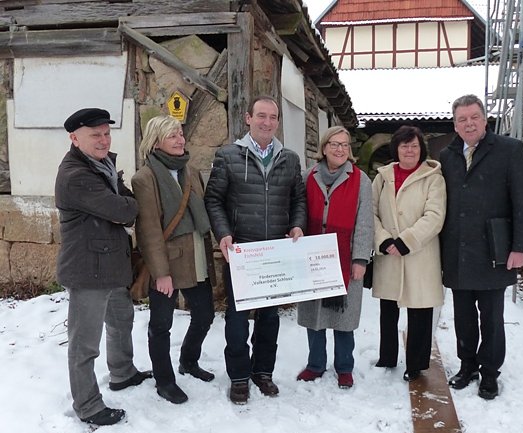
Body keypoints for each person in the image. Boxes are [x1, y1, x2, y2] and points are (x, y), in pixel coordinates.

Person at [204, 95, 306, 405]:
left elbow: (298, 200)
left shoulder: (289, 159)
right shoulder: (228, 156)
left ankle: (263, 371)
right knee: (237, 319)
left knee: (269, 318)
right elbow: (213, 199)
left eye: (273, 117)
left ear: (278, 122)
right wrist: (224, 233)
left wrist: (297, 225)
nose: (267, 122)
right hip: (242, 252)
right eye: (261, 116)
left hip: (275, 251)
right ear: (248, 118)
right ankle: (238, 376)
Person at [55, 108, 152, 426]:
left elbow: (124, 200)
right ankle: (88, 405)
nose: (103, 140)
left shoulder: (102, 165)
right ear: (74, 138)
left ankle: (122, 373)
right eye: (95, 135)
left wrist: (124, 203)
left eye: (106, 133)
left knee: (121, 321)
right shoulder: (76, 176)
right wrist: (126, 205)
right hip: (87, 270)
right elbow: (124, 209)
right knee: (84, 344)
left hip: (110, 264)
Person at [439, 94, 523, 400]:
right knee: (463, 315)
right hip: (457, 249)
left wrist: (521, 246)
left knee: (492, 317)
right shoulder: (446, 156)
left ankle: (490, 373)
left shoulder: (509, 149)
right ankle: (467, 365)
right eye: (462, 119)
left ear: (484, 120)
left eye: (474, 117)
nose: (468, 124)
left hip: (494, 247)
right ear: (455, 125)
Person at [131, 115, 216, 405]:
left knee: (205, 314)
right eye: (172, 136)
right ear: (156, 142)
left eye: (180, 133)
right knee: (161, 325)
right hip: (166, 262)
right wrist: (160, 273)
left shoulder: (191, 171)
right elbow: (149, 231)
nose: (180, 140)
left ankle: (188, 361)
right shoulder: (145, 178)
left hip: (196, 256)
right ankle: (164, 380)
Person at [295, 126, 373, 389]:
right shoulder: (308, 176)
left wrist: (360, 259)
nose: (340, 149)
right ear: (324, 147)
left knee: (344, 319)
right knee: (315, 316)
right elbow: (299, 211)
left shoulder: (361, 180)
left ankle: (344, 367)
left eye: (344, 144)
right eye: (334, 144)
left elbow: (365, 223)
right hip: (314, 257)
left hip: (345, 257)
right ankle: (315, 364)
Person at [371, 125, 446, 382]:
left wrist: (406, 241)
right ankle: (387, 356)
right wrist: (383, 239)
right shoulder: (383, 177)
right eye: (405, 146)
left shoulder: (433, 177)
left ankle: (416, 364)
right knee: (388, 309)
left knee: (420, 311)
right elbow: (371, 212)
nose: (410, 150)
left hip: (419, 254)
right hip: (389, 254)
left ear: (421, 149)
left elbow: (435, 216)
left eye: (414, 145)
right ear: (396, 148)